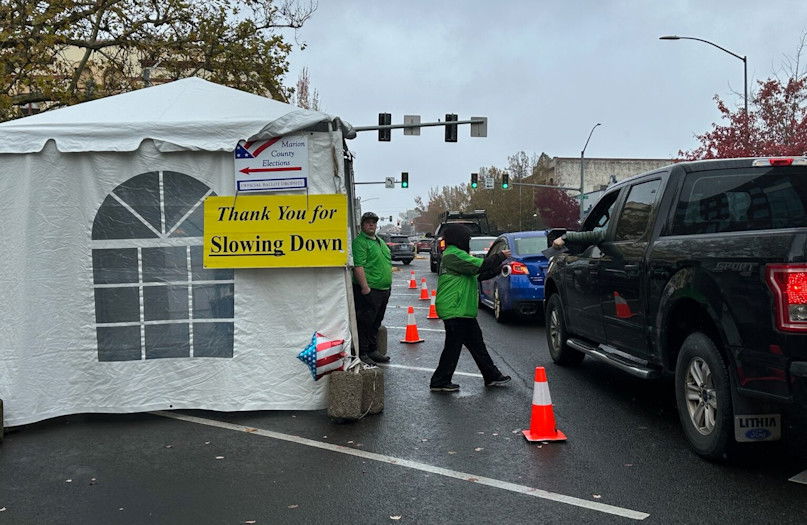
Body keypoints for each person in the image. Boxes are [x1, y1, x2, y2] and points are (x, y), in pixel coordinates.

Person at [429, 224, 512, 392]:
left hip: (462, 309)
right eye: (467, 239)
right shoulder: (453, 254)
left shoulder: (457, 255)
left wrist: (499, 270)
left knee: (476, 344)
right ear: (459, 239)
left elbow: (479, 274)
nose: (468, 242)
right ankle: (439, 381)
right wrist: (500, 256)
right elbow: (480, 266)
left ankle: (491, 376)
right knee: (453, 346)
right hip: (454, 307)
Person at [352, 211, 393, 365]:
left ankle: (372, 349)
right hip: (369, 290)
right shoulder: (360, 242)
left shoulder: (379, 241)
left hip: (383, 290)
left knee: (376, 322)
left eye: (374, 222)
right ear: (362, 225)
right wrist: (365, 287)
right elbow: (358, 266)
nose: (371, 225)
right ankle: (362, 352)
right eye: (368, 222)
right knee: (364, 322)